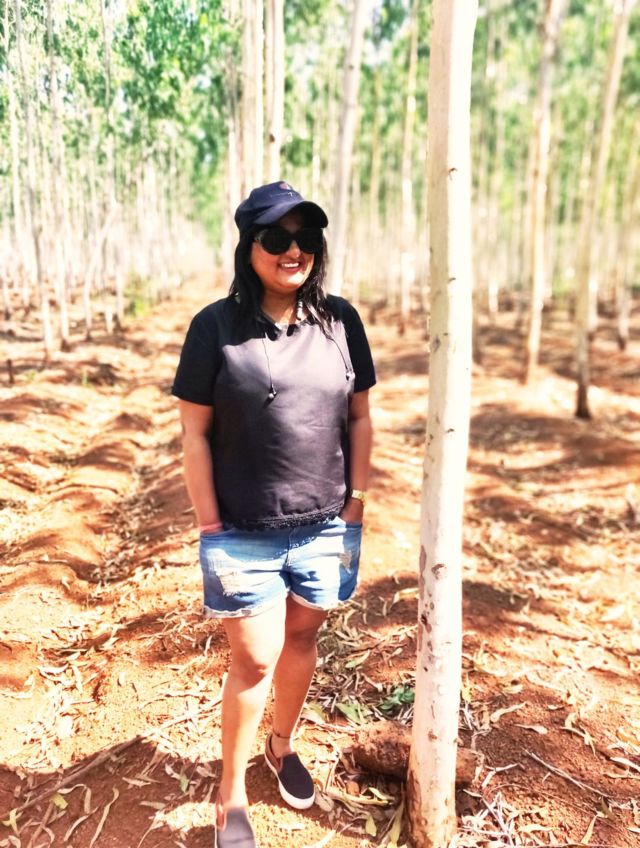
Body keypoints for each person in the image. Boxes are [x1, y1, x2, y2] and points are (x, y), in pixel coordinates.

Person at [172, 181, 375, 848]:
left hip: (327, 525)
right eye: (276, 237)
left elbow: (360, 418)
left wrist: (356, 503)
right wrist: (209, 524)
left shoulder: (340, 322)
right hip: (241, 532)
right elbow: (194, 434)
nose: (294, 250)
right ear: (248, 247)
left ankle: (281, 746)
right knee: (255, 659)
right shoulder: (214, 328)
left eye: (306, 236)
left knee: (304, 639)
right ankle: (230, 794)